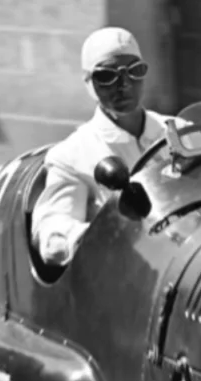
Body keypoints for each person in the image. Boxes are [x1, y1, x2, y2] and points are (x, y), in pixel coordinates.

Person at [31, 27, 179, 265]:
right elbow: (53, 235)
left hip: (194, 261)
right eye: (107, 76)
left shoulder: (180, 131)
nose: (124, 84)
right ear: (89, 83)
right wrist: (105, 238)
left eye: (135, 71)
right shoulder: (72, 156)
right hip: (131, 274)